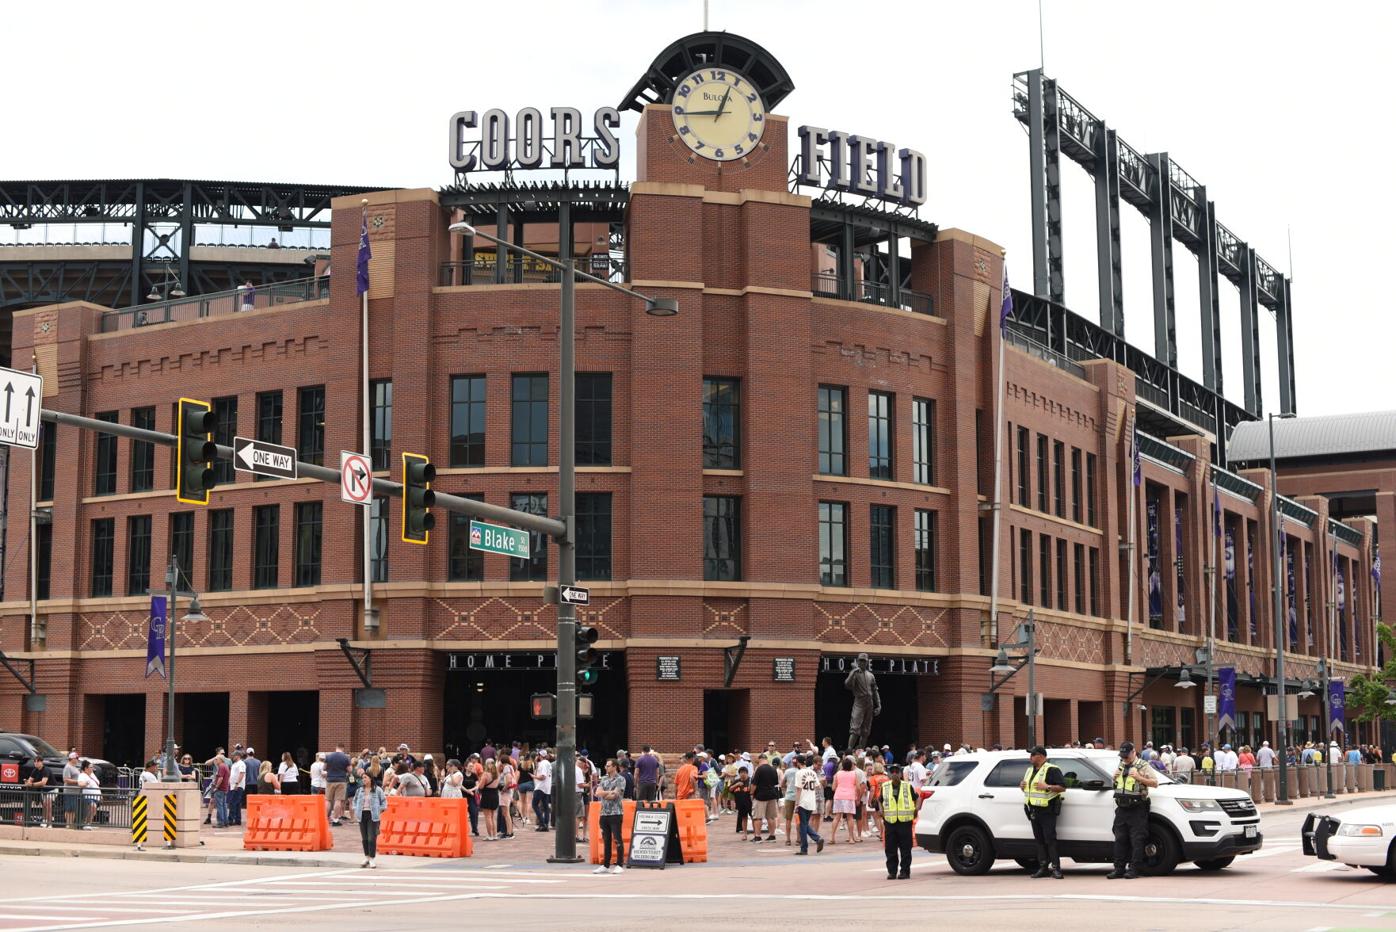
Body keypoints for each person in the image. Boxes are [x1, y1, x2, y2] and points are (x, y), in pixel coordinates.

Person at [1108, 740, 1158, 879]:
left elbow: (1155, 783)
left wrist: (1139, 777)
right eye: (1122, 756)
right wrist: (1114, 778)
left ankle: (1134, 869)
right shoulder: (1121, 764)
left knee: (1137, 839)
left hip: (1137, 808)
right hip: (1122, 808)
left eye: (1126, 755)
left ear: (1133, 752)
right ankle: (1118, 869)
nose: (1124, 758)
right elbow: (1117, 784)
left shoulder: (1143, 765)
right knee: (1120, 838)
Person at [1021, 745, 1065, 879]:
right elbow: (1029, 789)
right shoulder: (1030, 770)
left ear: (1040, 756)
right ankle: (1043, 867)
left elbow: (1062, 787)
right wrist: (1022, 786)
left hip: (1047, 810)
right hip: (1033, 809)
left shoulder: (1052, 769)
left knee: (1050, 839)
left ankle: (1056, 869)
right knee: (1039, 840)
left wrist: (1047, 787)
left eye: (1032, 755)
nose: (1030, 758)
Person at [872, 762, 917, 879]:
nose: (895, 774)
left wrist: (916, 809)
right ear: (890, 774)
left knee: (905, 849)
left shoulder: (907, 786)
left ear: (901, 774)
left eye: (897, 772)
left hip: (905, 822)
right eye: (893, 772)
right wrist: (881, 810)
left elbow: (917, 798)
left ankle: (905, 872)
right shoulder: (885, 787)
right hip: (890, 822)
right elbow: (879, 799)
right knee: (890, 849)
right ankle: (892, 872)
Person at [595, 758, 626, 875]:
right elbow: (597, 793)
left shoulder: (620, 779)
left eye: (608, 766)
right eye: (606, 766)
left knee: (617, 839)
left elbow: (615, 795)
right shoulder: (603, 779)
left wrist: (605, 794)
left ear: (614, 767)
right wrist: (607, 793)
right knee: (606, 839)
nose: (606, 767)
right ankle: (605, 865)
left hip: (616, 813)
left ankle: (619, 864)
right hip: (604, 813)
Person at [793, 755, 826, 855]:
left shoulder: (799, 773)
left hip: (803, 801)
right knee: (805, 824)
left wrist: (796, 804)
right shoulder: (812, 772)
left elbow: (798, 789)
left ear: (798, 763)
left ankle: (805, 847)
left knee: (802, 825)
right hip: (812, 801)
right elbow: (818, 786)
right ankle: (816, 839)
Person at [353, 771, 386, 868]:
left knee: (372, 838)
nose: (363, 779)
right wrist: (356, 810)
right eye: (362, 778)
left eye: (365, 777)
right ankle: (366, 857)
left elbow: (384, 802)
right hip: (362, 815)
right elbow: (354, 801)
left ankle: (372, 858)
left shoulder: (377, 790)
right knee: (365, 838)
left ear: (370, 778)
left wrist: (379, 811)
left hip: (373, 816)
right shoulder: (359, 790)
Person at [830, 756, 861, 845]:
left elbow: (833, 788)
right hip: (849, 796)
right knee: (850, 817)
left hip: (839, 796)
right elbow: (858, 788)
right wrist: (857, 796)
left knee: (837, 817)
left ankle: (832, 837)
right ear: (851, 765)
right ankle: (851, 838)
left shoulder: (837, 774)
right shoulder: (854, 774)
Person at [751, 754, 780, 843]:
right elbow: (775, 782)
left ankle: (758, 837)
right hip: (772, 795)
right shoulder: (773, 769)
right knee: (771, 817)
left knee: (758, 817)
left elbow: (754, 784)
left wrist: (751, 793)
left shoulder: (759, 769)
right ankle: (772, 836)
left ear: (760, 760)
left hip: (760, 796)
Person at [324, 743, 350, 826]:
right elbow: (349, 770)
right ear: (343, 748)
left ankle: (324, 819)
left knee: (328, 800)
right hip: (341, 780)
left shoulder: (328, 756)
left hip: (330, 780)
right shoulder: (345, 757)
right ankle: (335, 820)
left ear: (336, 748)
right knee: (338, 800)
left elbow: (324, 768)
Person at [23, 755, 51, 826]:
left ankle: (50, 823)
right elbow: (30, 780)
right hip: (44, 790)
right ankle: (44, 821)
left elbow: (43, 782)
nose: (36, 763)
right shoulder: (35, 770)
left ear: (42, 762)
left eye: (38, 761)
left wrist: (31, 784)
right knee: (44, 805)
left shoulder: (46, 770)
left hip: (52, 790)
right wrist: (27, 782)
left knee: (48, 805)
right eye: (35, 761)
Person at [478, 759, 500, 841]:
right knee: (492, 816)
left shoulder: (486, 774)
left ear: (486, 765)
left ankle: (490, 835)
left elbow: (480, 786)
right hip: (495, 795)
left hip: (487, 795)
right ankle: (495, 835)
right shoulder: (497, 774)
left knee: (487, 816)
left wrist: (479, 783)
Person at [532, 750, 552, 831]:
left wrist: (534, 777)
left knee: (534, 805)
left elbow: (543, 776)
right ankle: (545, 824)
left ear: (540, 755)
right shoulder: (547, 763)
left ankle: (542, 822)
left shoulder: (543, 763)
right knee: (545, 806)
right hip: (547, 787)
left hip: (541, 787)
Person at [227, 751, 246, 826]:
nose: (232, 757)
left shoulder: (241, 763)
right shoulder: (235, 764)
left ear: (238, 756)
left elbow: (242, 773)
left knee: (232, 802)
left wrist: (237, 783)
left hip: (238, 786)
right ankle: (238, 820)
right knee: (237, 803)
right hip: (233, 786)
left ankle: (230, 820)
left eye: (234, 755)